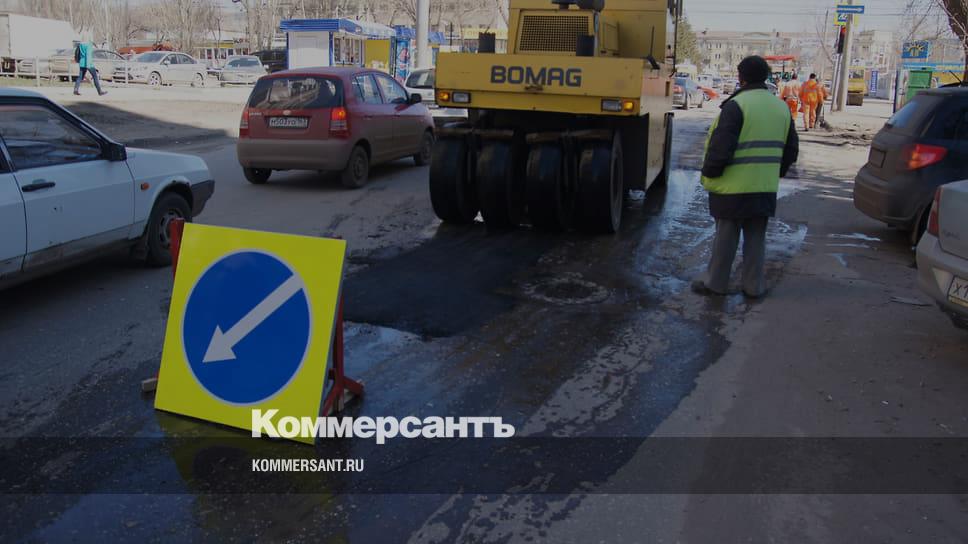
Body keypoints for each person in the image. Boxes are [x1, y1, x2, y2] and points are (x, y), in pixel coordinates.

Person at [692, 55, 800, 298]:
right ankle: (753, 286)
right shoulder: (780, 107)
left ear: (741, 78)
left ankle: (716, 284)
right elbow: (791, 149)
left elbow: (721, 146)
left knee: (726, 238)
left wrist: (710, 172)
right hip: (764, 187)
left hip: (732, 187)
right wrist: (775, 172)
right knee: (756, 239)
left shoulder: (737, 105)